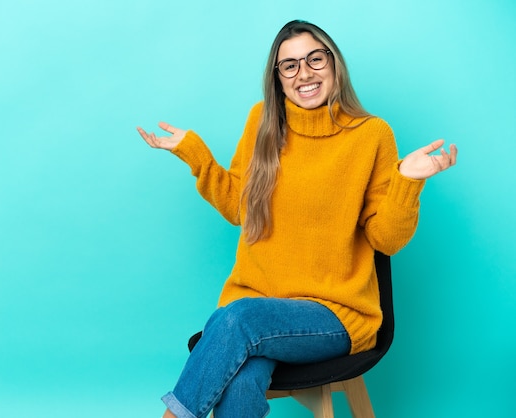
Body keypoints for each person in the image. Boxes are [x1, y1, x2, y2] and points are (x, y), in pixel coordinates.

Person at [137, 20, 457, 418]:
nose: (303, 73)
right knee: (239, 379)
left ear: (334, 64)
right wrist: (197, 156)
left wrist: (408, 182)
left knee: (236, 320)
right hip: (257, 306)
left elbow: (386, 240)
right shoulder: (263, 123)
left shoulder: (371, 135)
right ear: (278, 78)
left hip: (334, 315)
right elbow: (240, 206)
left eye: (314, 59)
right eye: (289, 66)